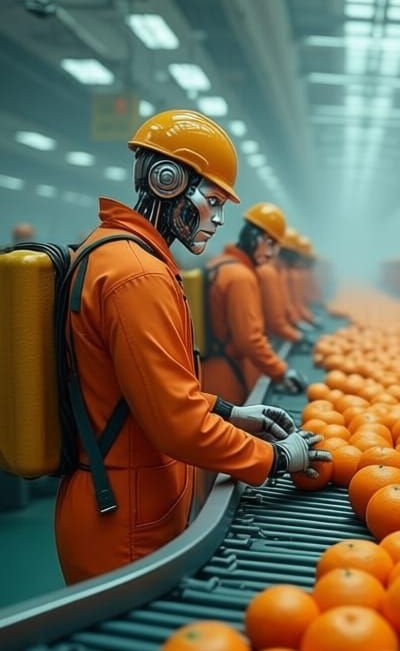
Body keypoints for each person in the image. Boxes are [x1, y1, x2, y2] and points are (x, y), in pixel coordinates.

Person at [57, 110, 328, 585]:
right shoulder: (137, 275)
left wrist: (228, 412)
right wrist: (277, 458)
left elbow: (143, 390)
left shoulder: (120, 254)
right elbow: (178, 424)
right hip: (125, 514)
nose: (219, 220)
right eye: (213, 200)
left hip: (127, 497)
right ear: (168, 180)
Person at [202, 202, 305, 405]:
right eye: (270, 243)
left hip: (206, 368)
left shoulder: (218, 263)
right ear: (254, 237)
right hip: (226, 378)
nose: (272, 254)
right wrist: (281, 371)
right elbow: (249, 340)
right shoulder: (241, 277)